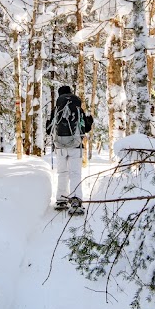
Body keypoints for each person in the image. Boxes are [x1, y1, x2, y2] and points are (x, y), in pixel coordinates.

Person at [46, 84, 93, 215]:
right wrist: (90, 120)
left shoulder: (56, 109)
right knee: (75, 174)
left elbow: (48, 129)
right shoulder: (77, 108)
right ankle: (76, 200)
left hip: (60, 145)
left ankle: (61, 199)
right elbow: (86, 128)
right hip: (76, 146)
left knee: (62, 172)